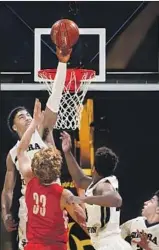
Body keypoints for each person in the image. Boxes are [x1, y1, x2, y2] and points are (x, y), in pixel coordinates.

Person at [1, 47, 72, 250]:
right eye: (21, 116)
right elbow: (7, 190)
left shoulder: (41, 131)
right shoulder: (13, 153)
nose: (28, 117)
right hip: (31, 205)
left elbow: (55, 100)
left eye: (28, 114)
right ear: (15, 127)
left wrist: (62, 63)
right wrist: (5, 213)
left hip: (54, 198)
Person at [16, 99, 86, 250]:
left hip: (32, 246)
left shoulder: (30, 181)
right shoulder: (64, 195)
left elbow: (21, 150)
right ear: (57, 169)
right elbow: (83, 221)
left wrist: (34, 123)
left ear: (35, 168)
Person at [60, 131, 132, 250]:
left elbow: (117, 200)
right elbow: (79, 179)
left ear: (93, 168)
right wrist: (67, 152)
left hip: (109, 245)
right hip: (109, 243)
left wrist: (82, 198)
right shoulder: (98, 183)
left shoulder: (103, 186)